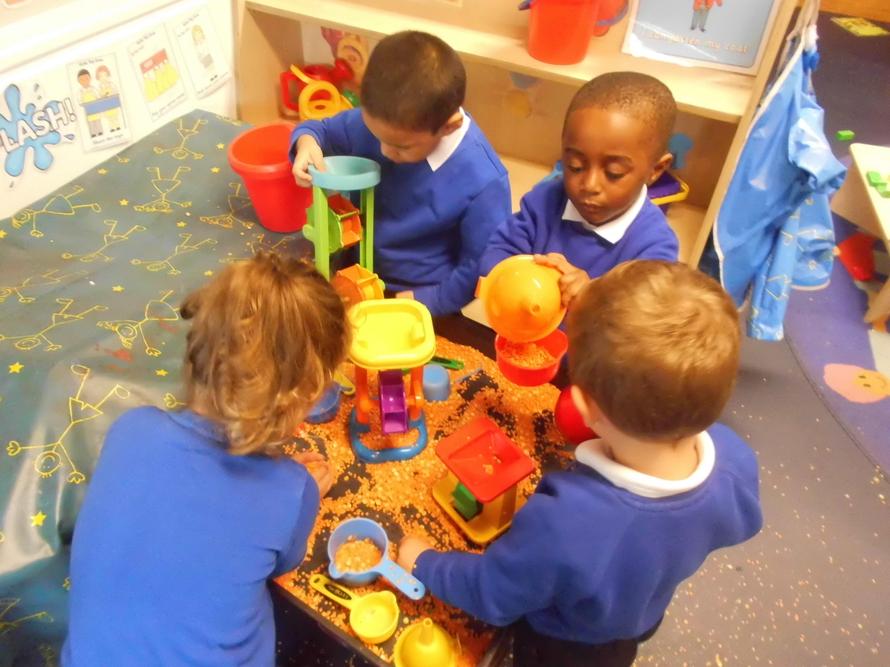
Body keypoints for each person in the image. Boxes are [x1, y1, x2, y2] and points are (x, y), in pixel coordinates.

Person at [397, 260, 763, 667]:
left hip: (562, 645)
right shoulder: (734, 463)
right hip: (639, 610)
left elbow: (494, 594)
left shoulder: (567, 520)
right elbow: (741, 522)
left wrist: (424, 562)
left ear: (584, 406)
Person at [63, 252, 350, 666]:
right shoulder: (289, 491)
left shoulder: (130, 428)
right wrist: (301, 492)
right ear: (303, 396)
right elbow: (282, 560)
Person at [291, 31, 511, 316]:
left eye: (400, 147)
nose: (383, 151)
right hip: (352, 269)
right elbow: (319, 129)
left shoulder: (484, 181)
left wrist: (429, 300)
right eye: (375, 134)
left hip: (416, 295)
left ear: (449, 126)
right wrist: (306, 143)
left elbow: (480, 268)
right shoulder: (384, 118)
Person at [479, 72, 679, 308]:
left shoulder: (655, 247)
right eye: (575, 166)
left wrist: (591, 296)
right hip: (527, 335)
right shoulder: (545, 199)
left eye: (614, 173)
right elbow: (497, 254)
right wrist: (530, 275)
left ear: (656, 169)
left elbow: (642, 326)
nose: (589, 185)